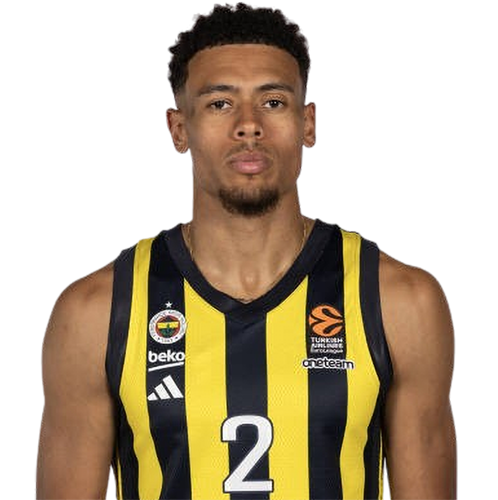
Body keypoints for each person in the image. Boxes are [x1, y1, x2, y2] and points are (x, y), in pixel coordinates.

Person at [36, 4, 455, 500]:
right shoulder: (97, 312)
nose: (249, 125)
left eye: (273, 102)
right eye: (220, 103)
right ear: (179, 129)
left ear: (307, 124)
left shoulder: (398, 302)